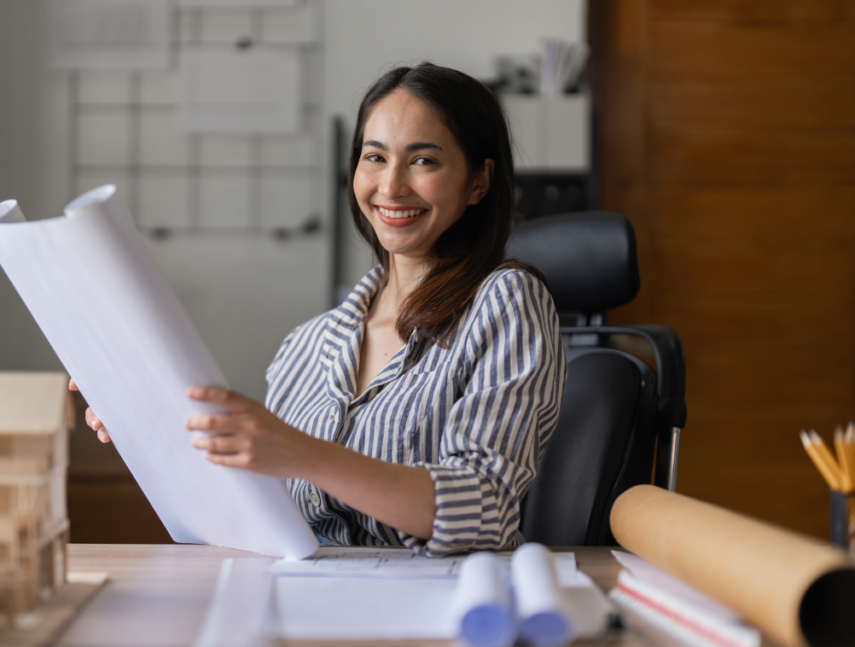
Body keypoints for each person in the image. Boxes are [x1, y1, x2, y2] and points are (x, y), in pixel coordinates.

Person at [76, 62, 566, 556]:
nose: (391, 186)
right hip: (305, 595)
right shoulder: (307, 344)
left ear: (479, 181)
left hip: (438, 608)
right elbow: (261, 509)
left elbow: (485, 510)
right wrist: (151, 435)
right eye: (375, 157)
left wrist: (305, 455)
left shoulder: (505, 302)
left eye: (424, 161)